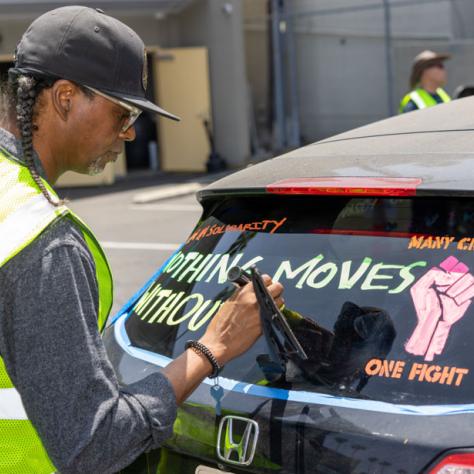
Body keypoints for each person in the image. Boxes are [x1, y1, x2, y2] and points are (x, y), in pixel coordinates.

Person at [0, 6, 284, 474]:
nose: (130, 131)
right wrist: (214, 346)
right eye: (122, 111)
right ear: (66, 97)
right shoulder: (42, 242)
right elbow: (95, 445)